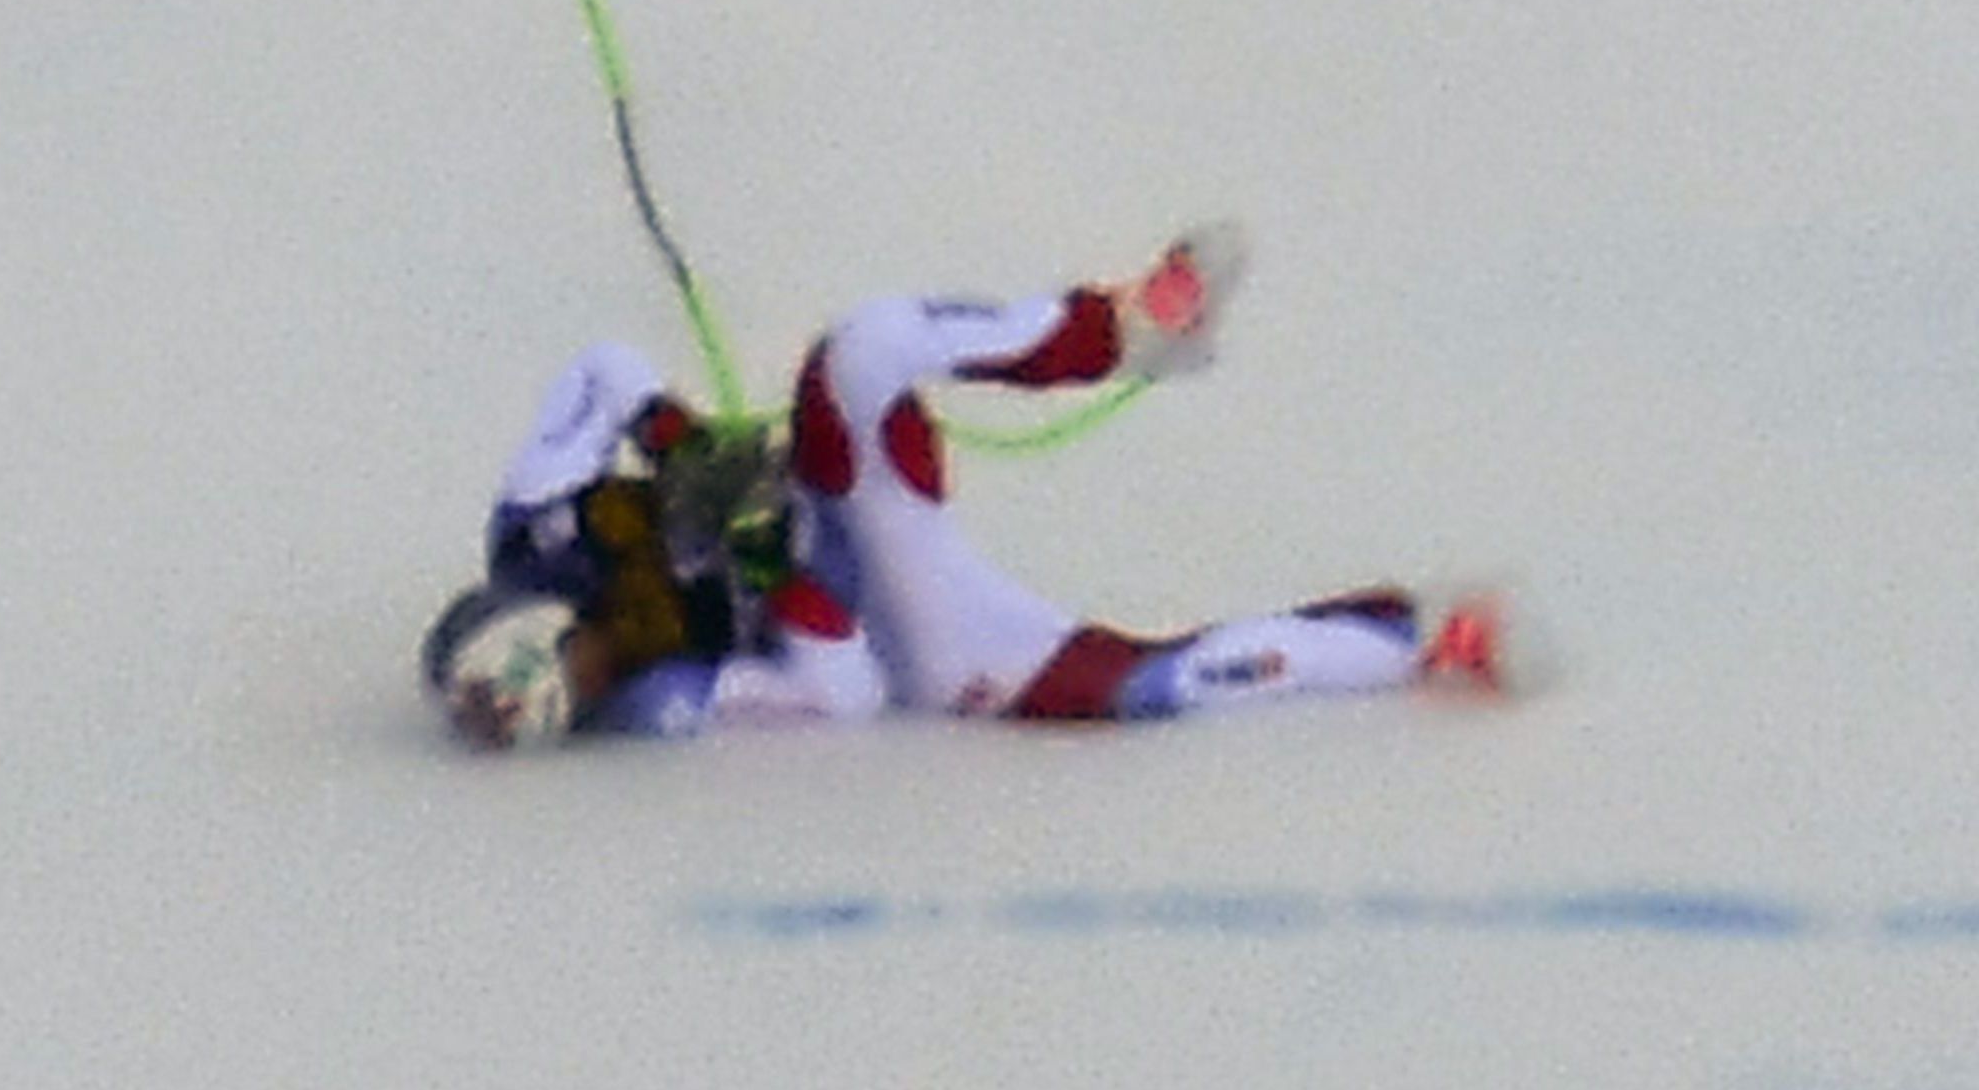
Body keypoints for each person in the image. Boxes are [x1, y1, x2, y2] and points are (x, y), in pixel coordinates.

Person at [420, 231, 1509, 748]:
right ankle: (1414, 641)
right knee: (1129, 690)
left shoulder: (540, 523)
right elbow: (838, 698)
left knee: (867, 346)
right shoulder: (655, 705)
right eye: (585, 693)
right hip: (890, 629)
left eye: (580, 657)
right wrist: (783, 570)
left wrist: (683, 443)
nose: (606, 670)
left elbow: (603, 369)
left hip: (834, 483)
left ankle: (1121, 327)